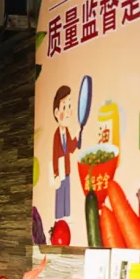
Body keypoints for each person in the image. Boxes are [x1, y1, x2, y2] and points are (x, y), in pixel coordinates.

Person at [51, 84, 78, 220]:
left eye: (69, 106)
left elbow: (71, 148)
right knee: (60, 194)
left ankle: (67, 217)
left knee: (67, 192)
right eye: (65, 107)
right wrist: (56, 173)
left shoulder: (66, 131)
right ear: (57, 113)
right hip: (60, 171)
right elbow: (55, 155)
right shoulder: (57, 135)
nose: (68, 111)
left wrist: (77, 140)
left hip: (67, 170)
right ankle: (59, 218)